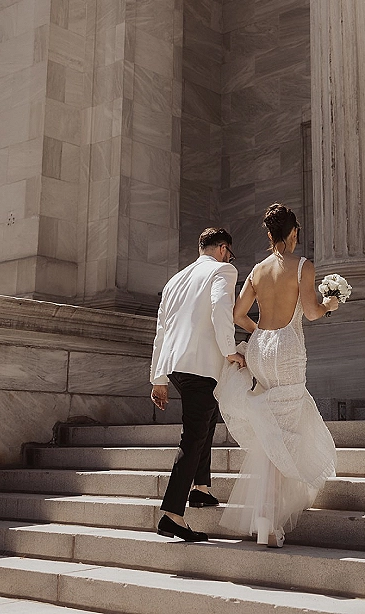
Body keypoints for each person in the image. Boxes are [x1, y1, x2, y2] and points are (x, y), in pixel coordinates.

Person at [215, 203, 338, 548]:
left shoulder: (257, 269)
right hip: (286, 349)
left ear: (270, 235)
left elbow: (238, 314)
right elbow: (311, 313)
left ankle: (265, 516)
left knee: (271, 426)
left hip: (259, 348)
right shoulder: (303, 266)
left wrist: (259, 334)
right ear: (293, 232)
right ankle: (267, 518)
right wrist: (331, 304)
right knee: (279, 432)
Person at [150, 227, 246, 543]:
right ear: (222, 249)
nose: (230, 258)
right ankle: (172, 515)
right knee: (193, 436)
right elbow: (221, 309)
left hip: (176, 366)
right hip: (201, 365)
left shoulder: (174, 280)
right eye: (229, 253)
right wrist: (231, 350)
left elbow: (161, 330)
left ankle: (201, 488)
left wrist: (159, 378)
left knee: (205, 419)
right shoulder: (224, 270)